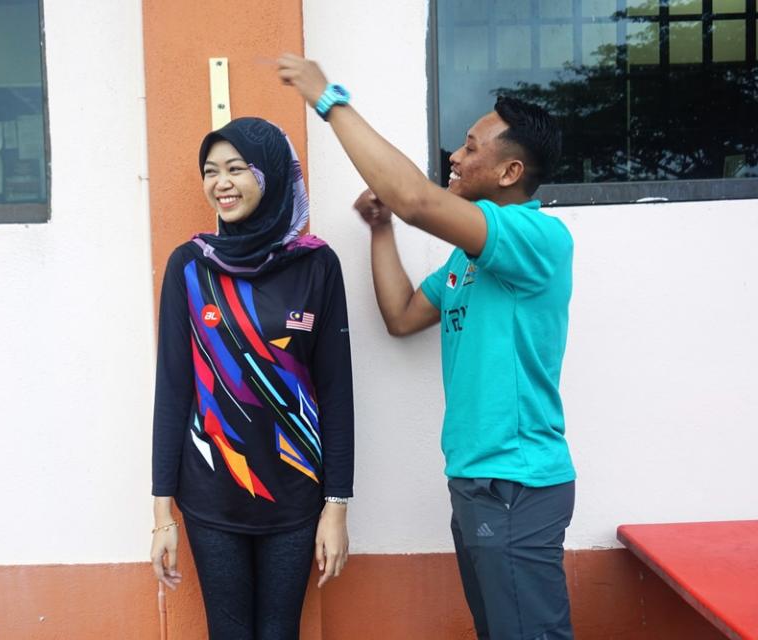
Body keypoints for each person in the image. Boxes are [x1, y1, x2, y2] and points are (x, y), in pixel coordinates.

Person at [277, 56, 575, 640]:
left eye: (470, 147)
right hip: (476, 480)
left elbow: (415, 198)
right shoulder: (471, 259)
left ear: (510, 171)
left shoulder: (538, 238)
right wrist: (381, 229)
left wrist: (328, 99)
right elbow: (403, 314)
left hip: (516, 484)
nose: (455, 158)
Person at [150, 116, 354, 640]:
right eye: (210, 171)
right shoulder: (190, 267)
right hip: (211, 493)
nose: (221, 182)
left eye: (236, 168)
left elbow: (336, 391)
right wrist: (163, 513)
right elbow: (172, 389)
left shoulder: (317, 266)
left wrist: (337, 506)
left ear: (271, 174)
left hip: (295, 492)